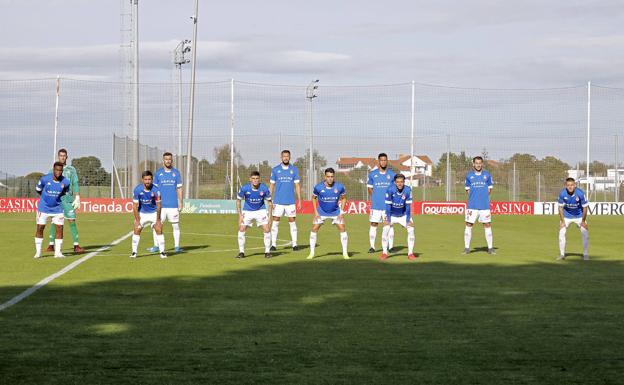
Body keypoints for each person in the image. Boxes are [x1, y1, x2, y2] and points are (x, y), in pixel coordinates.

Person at [47, 148, 84, 253]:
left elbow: (75, 183)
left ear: (66, 157)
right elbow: (48, 185)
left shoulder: (71, 169)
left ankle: (76, 245)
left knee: (72, 220)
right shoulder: (52, 170)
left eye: (64, 156)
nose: (62, 157)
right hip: (56, 200)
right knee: (55, 221)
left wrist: (77, 196)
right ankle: (51, 245)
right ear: (58, 157)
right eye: (61, 155)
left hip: (68, 199)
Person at [307, 168, 349, 260]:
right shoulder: (318, 187)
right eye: (328, 176)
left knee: (342, 228)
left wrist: (341, 212)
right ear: (325, 177)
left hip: (335, 212)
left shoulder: (339, 187)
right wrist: (316, 212)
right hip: (321, 212)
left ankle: (345, 253)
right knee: (314, 228)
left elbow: (344, 198)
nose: (330, 178)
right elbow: (313, 198)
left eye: (332, 177)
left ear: (334, 177)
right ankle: (312, 253)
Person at [34, 162, 70, 259]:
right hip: (43, 208)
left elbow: (65, 192)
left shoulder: (66, 182)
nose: (58, 172)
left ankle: (57, 252)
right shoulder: (44, 179)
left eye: (60, 170)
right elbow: (38, 189)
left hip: (57, 209)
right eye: (56, 170)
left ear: (62, 171)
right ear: (53, 170)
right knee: (40, 228)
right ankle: (38, 252)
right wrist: (45, 197)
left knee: (60, 229)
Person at [150, 152, 183, 253]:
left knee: (175, 226)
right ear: (163, 160)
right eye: (166, 159)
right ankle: (156, 246)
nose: (168, 161)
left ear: (171, 160)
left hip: (173, 205)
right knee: (157, 225)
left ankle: (177, 247)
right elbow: (154, 189)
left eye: (169, 159)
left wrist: (181, 202)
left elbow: (179, 189)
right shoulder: (158, 173)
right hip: (160, 205)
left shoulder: (176, 173)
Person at [269, 150, 302, 251]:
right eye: (284, 156)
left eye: (287, 156)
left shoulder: (294, 170)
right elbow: (271, 186)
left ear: (290, 157)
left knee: (292, 222)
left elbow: (297, 185)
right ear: (281, 157)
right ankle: (273, 244)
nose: (286, 158)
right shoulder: (275, 170)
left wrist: (299, 200)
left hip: (290, 201)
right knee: (275, 222)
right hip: (278, 201)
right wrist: (269, 200)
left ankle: (295, 244)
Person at [236, 171, 273, 259]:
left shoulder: (264, 188)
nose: (255, 180)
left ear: (259, 179)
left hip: (261, 210)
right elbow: (238, 201)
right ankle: (241, 252)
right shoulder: (244, 188)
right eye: (253, 178)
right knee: (241, 229)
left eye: (257, 178)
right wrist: (240, 215)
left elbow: (270, 202)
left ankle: (267, 252)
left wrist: (270, 217)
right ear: (250, 179)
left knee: (267, 229)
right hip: (247, 211)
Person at [130, 171, 167, 259]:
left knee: (158, 229)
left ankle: (162, 252)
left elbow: (159, 205)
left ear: (152, 180)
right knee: (137, 229)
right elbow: (135, 206)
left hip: (154, 213)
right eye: (146, 179)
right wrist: (137, 220)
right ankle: (134, 252)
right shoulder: (137, 190)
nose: (147, 181)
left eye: (149, 179)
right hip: (142, 213)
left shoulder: (156, 190)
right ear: (142, 180)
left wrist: (158, 220)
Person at [380, 174, 416, 261]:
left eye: (401, 182)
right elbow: (388, 206)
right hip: (391, 214)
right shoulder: (390, 189)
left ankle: (410, 253)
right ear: (395, 182)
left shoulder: (408, 190)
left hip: (403, 215)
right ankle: (384, 253)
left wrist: (407, 220)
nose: (400, 184)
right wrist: (388, 219)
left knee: (411, 229)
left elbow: (408, 207)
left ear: (404, 182)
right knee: (385, 229)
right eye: (398, 182)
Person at [463, 156, 495, 254]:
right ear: (473, 164)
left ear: (482, 164)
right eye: (476, 163)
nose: (478, 165)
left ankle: (490, 248)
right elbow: (467, 190)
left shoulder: (487, 175)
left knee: (487, 225)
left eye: (480, 163)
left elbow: (489, 189)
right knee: (468, 225)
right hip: (472, 206)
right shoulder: (469, 176)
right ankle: (467, 248)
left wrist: (482, 198)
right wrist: (475, 198)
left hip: (484, 206)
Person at [367, 153, 396, 253]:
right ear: (378, 161)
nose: (383, 162)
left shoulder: (392, 175)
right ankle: (372, 247)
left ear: (387, 161)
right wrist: (375, 197)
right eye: (381, 160)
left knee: (389, 225)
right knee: (374, 224)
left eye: (385, 160)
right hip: (376, 206)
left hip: (388, 206)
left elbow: (394, 189)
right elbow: (369, 188)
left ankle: (391, 247)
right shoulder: (372, 174)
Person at [557, 177, 589, 260]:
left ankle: (585, 254)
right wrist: (563, 221)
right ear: (566, 186)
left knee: (585, 234)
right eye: (568, 185)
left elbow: (585, 208)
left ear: (575, 185)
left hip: (579, 216)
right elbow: (560, 208)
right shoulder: (562, 194)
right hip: (566, 216)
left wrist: (583, 221)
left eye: (572, 185)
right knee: (561, 233)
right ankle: (562, 254)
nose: (570, 187)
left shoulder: (580, 193)